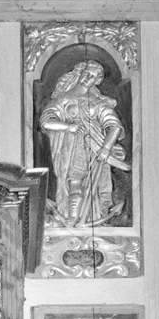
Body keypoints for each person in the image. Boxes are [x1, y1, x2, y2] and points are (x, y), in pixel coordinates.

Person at [39, 60, 129, 228]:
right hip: (72, 149)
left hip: (96, 151)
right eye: (86, 73)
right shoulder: (63, 99)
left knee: (92, 187)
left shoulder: (98, 102)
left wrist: (106, 148)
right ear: (79, 73)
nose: (88, 78)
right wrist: (68, 127)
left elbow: (114, 126)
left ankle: (88, 217)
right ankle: (72, 218)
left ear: (97, 81)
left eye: (93, 77)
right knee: (74, 182)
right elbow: (46, 121)